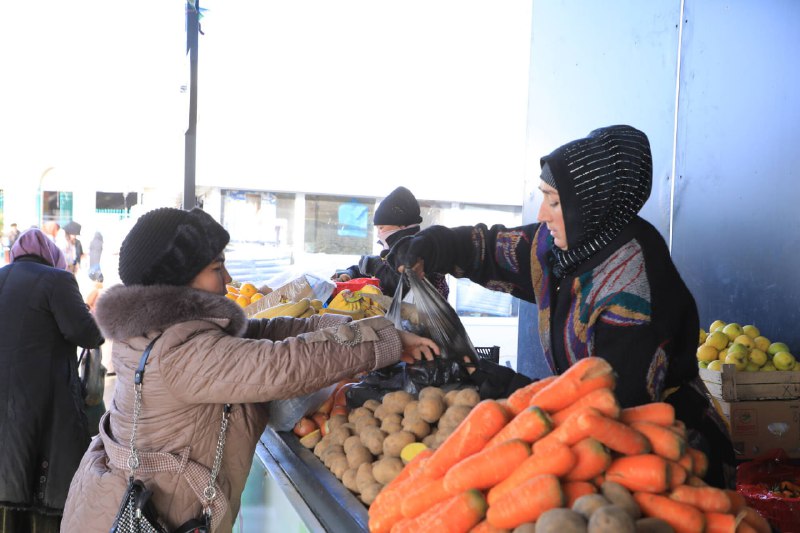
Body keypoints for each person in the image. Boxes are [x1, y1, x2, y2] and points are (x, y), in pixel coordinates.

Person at [395, 125, 735, 488]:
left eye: (555, 202)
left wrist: (515, 391)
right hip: (593, 441)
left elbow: (613, 408)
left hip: (669, 461)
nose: (542, 213)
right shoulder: (564, 245)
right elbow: (491, 250)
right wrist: (432, 246)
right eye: (543, 197)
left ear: (590, 206)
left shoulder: (634, 287)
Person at [61, 207, 439, 532]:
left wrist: (362, 327)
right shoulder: (178, 353)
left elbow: (270, 331)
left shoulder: (165, 329)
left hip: (133, 504)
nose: (227, 280)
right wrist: (385, 344)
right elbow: (282, 364)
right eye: (216, 268)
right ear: (177, 281)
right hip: (145, 520)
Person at [0, 228, 104, 533]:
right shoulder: (57, 280)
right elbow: (88, 334)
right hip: (43, 406)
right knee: (42, 489)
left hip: (9, 403)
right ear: (51, 256)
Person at [336, 186, 449, 299]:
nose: (379, 234)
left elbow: (403, 282)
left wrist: (374, 265)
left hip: (421, 315)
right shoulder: (396, 251)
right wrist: (351, 273)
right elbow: (384, 270)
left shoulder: (420, 251)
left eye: (381, 228)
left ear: (402, 226)